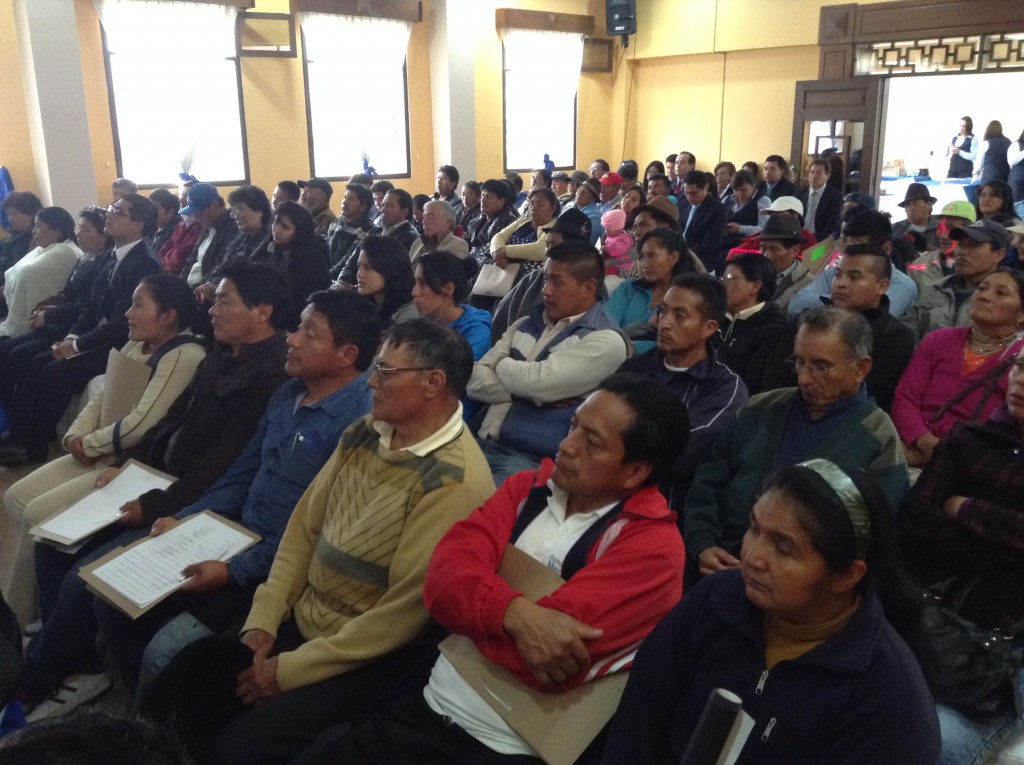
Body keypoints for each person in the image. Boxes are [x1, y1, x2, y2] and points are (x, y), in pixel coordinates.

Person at [288, 373, 690, 765]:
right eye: (572, 426)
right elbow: (440, 582)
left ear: (635, 472)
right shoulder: (526, 489)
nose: (567, 446)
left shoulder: (654, 550)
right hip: (423, 703)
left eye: (592, 443)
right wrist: (515, 613)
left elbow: (546, 665)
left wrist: (472, 610)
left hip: (508, 747)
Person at [174, 320, 496, 765]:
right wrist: (264, 620)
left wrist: (290, 670)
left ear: (432, 383)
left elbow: (397, 619)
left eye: (385, 371)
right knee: (194, 681)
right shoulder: (364, 432)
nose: (371, 381)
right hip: (304, 618)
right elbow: (302, 532)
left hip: (362, 659)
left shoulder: (455, 482)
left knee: (241, 747)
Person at [14, 263, 291, 715]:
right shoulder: (222, 353)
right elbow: (171, 420)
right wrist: (126, 466)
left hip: (189, 498)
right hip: (157, 479)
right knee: (52, 544)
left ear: (263, 312)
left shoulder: (272, 376)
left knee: (83, 577)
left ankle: (35, 682)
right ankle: (73, 653)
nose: (212, 310)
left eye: (225, 301)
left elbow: (220, 467)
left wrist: (155, 505)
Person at [93, 290, 380, 704]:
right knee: (111, 597)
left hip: (275, 564)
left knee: (166, 652)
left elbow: (315, 532)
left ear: (346, 355)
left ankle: (152, 721)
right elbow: (242, 473)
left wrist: (234, 571)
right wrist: (188, 518)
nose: (292, 339)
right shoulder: (289, 392)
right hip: (231, 534)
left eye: (309, 333)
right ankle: (146, 702)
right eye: (298, 327)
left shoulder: (359, 424)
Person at [604, 460, 940, 764]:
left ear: (847, 575)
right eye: (754, 528)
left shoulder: (890, 699)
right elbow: (639, 720)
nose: (752, 557)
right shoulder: (716, 600)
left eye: (783, 548)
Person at [1, 274, 205, 627]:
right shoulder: (136, 345)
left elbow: (143, 425)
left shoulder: (184, 355)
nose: (127, 313)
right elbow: (102, 397)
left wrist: (91, 444)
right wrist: (75, 435)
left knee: (38, 513)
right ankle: (31, 608)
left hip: (130, 466)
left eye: (138, 305)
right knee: (17, 497)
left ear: (168, 316)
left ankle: (23, 620)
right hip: (100, 451)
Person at [683, 306, 909, 580]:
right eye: (799, 362)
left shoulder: (878, 437)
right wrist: (703, 543)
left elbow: (871, 535)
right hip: (717, 563)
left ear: (861, 368)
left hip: (803, 585)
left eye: (821, 366)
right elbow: (706, 483)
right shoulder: (760, 409)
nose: (804, 378)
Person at [901, 350, 1024, 764]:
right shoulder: (967, 440)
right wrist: (1005, 547)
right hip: (932, 613)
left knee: (936, 746)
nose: (1021, 380)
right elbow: (915, 523)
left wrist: (966, 509)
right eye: (1021, 367)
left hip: (1006, 649)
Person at [0, 193, 161, 466]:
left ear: (138, 225)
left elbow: (121, 323)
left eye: (118, 212)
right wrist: (71, 338)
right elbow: (91, 307)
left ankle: (34, 447)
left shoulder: (143, 263)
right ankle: (20, 437)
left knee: (54, 371)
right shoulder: (111, 255)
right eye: (111, 208)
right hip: (98, 335)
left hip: (122, 342)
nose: (109, 214)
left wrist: (77, 346)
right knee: (36, 361)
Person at [469, 241, 629, 484]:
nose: (546, 290)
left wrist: (500, 364)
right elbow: (474, 378)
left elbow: (537, 383)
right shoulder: (526, 323)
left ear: (588, 288)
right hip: (480, 438)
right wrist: (520, 395)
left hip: (532, 459)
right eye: (546, 279)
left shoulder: (605, 340)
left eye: (557, 282)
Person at [620, 274, 748, 507]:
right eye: (663, 311)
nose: (664, 323)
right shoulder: (637, 366)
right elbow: (595, 418)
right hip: (605, 489)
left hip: (662, 506)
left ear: (709, 328)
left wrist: (613, 435)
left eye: (680, 316)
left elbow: (679, 452)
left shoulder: (723, 387)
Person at [892, 268, 1024, 467]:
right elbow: (905, 399)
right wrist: (923, 440)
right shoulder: (938, 340)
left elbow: (1012, 428)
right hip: (912, 448)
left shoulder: (1020, 359)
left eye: (1001, 293)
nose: (984, 296)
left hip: (977, 464)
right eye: (982, 288)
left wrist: (945, 455)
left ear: (1021, 314)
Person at [828, 244, 916, 412]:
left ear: (882, 286)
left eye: (854, 277)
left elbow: (872, 399)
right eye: (838, 275)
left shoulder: (896, 337)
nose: (840, 283)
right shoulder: (808, 321)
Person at [788, 209, 919, 319]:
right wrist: (842, 299)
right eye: (848, 248)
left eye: (860, 249)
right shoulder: (834, 273)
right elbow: (796, 305)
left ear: (886, 249)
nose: (841, 283)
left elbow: (874, 319)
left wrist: (834, 300)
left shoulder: (903, 285)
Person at [903, 218, 1010, 341]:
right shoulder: (935, 289)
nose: (961, 252)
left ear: (999, 254)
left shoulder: (1008, 299)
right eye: (961, 244)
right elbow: (908, 335)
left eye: (974, 245)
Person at [605, 229, 695, 355]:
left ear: (674, 257)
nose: (645, 264)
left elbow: (674, 344)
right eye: (642, 257)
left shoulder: (687, 300)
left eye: (652, 256)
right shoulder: (629, 287)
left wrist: (629, 347)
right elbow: (606, 324)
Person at [716, 251, 790, 395]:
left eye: (730, 278)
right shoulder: (715, 314)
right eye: (723, 278)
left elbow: (756, 386)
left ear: (755, 286)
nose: (722, 284)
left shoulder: (773, 330)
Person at [0, 207, 79, 340]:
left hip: (48, 323)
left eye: (38, 226)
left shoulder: (65, 252)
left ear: (57, 231)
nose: (33, 231)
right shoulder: (42, 249)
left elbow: (28, 275)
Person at [250, 201, 330, 330]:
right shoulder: (277, 246)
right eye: (275, 222)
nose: (277, 230)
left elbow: (295, 302)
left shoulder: (311, 258)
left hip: (293, 322)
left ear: (299, 232)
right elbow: (252, 271)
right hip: (269, 311)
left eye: (285, 227)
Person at [412, 251, 490, 361]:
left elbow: (453, 370)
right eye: (415, 282)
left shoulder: (476, 332)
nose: (414, 292)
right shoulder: (427, 320)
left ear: (448, 290)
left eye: (423, 284)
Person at [489, 188, 560, 279]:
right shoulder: (522, 222)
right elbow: (499, 236)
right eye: (531, 203)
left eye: (539, 205)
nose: (533, 208)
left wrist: (505, 251)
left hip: (530, 278)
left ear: (552, 208)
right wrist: (498, 254)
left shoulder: (554, 228)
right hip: (505, 273)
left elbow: (540, 249)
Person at [180, 184, 238, 290]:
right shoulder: (207, 226)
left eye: (198, 212)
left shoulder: (232, 229)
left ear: (214, 205)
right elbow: (191, 260)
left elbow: (221, 267)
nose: (196, 217)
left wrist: (197, 290)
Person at [353, 235, 418, 328]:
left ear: (389, 270)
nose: (359, 274)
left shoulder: (408, 316)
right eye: (359, 267)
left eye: (367, 268)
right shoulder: (364, 305)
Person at [758, 214, 812, 312]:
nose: (766, 255)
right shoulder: (751, 273)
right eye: (763, 248)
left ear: (794, 251)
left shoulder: (808, 285)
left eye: (774, 249)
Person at [324, 184, 376, 282]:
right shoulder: (336, 223)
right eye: (345, 197)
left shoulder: (367, 230)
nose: (345, 202)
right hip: (328, 274)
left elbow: (348, 259)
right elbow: (326, 250)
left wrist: (326, 276)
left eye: (351, 199)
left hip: (346, 280)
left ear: (363, 207)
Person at [464, 179, 519, 267]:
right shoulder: (476, 221)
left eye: (489, 197)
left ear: (501, 202)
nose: (483, 200)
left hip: (486, 266)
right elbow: (465, 244)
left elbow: (491, 252)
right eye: (482, 195)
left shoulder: (509, 222)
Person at [680, 170, 726, 273]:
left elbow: (710, 244)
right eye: (686, 193)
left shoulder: (717, 209)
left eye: (694, 193)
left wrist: (684, 253)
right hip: (679, 254)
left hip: (702, 259)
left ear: (705, 187)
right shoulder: (682, 205)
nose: (689, 197)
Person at [0, 192, 44, 299]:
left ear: (32, 215)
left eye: (14, 214)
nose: (10, 219)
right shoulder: (8, 241)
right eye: (9, 214)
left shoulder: (39, 243)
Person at [722, 169, 771, 254]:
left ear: (753, 186)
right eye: (735, 190)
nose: (739, 194)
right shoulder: (726, 199)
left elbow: (765, 229)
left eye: (743, 190)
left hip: (749, 244)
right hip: (724, 241)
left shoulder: (762, 200)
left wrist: (740, 229)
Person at [222, 186, 272, 265]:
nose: (236, 216)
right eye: (234, 211)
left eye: (241, 209)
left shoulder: (270, 240)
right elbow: (223, 264)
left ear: (260, 211)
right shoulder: (238, 237)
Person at [892, 182, 940, 251]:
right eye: (907, 205)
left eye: (915, 203)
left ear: (929, 205)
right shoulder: (895, 229)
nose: (910, 208)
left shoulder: (941, 229)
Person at [573, 178, 605, 245]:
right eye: (579, 189)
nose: (580, 193)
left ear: (594, 198)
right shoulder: (572, 209)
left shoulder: (596, 217)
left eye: (585, 192)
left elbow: (586, 243)